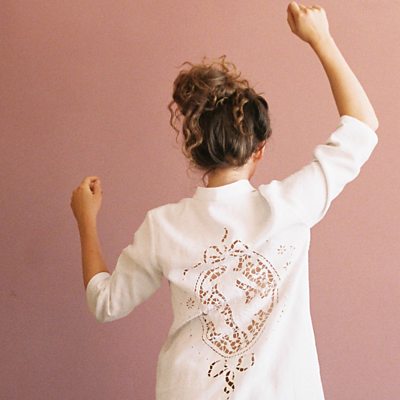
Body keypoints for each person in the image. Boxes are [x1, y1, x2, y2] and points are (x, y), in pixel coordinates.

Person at [70, 2, 379, 399]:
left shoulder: (163, 226)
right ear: (259, 149)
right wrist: (321, 39)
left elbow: (105, 303)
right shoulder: (290, 205)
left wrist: (86, 220)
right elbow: (363, 126)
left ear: (194, 150)